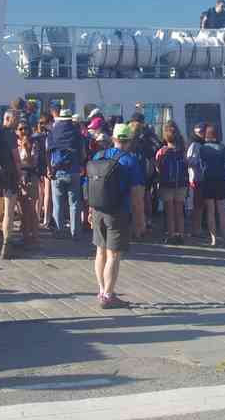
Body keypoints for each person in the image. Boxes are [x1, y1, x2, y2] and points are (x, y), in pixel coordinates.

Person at [88, 124, 144, 309]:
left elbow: (91, 186)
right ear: (129, 141)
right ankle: (108, 295)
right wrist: (139, 220)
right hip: (118, 211)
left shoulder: (98, 156)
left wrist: (90, 210)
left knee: (100, 251)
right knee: (113, 255)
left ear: (113, 139)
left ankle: (101, 290)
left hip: (98, 209)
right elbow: (137, 195)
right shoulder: (130, 160)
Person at [0, 110, 21, 259]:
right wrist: (19, 175)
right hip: (9, 175)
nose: (18, 122)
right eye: (16, 119)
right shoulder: (10, 134)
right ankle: (7, 246)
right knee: (8, 211)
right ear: (7, 118)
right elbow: (16, 158)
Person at [48, 108, 85, 240]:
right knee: (74, 204)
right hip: (73, 171)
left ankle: (59, 231)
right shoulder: (76, 133)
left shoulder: (53, 132)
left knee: (58, 203)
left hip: (57, 171)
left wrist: (49, 169)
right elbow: (82, 153)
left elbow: (48, 152)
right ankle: (75, 233)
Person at [155, 121, 188, 245]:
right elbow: (186, 165)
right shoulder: (183, 151)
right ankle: (181, 235)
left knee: (169, 212)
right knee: (179, 211)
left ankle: (171, 235)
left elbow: (157, 168)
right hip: (181, 184)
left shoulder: (161, 151)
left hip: (167, 185)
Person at [198, 125, 225, 246]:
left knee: (210, 211)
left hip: (208, 180)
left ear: (207, 135)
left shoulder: (203, 148)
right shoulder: (222, 147)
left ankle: (214, 239)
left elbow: (201, 164)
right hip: (221, 180)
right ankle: (224, 238)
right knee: (222, 210)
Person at [16, 121, 40, 249]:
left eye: (25, 128)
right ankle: (25, 236)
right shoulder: (15, 144)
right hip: (19, 177)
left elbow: (33, 162)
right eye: (20, 129)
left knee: (31, 208)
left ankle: (34, 236)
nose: (23, 131)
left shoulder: (33, 144)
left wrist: (26, 148)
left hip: (30, 176)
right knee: (21, 209)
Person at [185, 123, 206, 238]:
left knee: (200, 204)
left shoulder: (199, 143)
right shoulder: (195, 144)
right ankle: (196, 229)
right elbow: (190, 161)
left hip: (200, 178)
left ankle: (198, 227)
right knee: (197, 205)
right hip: (196, 179)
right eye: (202, 132)